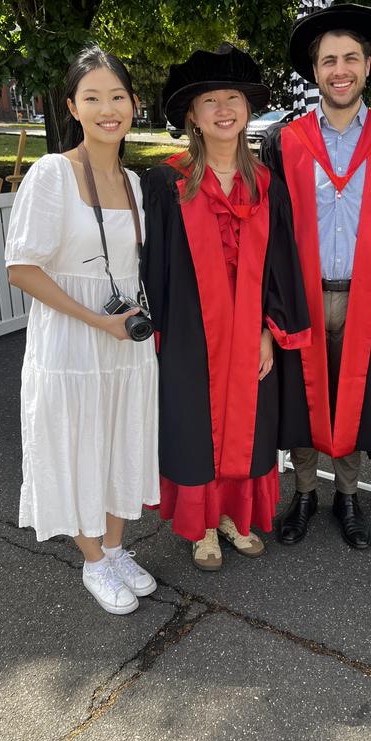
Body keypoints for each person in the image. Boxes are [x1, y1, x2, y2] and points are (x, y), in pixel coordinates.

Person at [141, 44, 311, 571]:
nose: (222, 109)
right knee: (195, 425)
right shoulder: (166, 183)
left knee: (250, 426)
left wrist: (269, 331)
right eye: (208, 100)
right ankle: (203, 527)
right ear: (191, 115)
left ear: (247, 108)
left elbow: (282, 266)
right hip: (191, 334)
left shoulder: (267, 185)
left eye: (232, 97)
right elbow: (151, 270)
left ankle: (235, 517)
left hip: (249, 333)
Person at [5, 45, 159, 613]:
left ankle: (116, 547)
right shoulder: (52, 174)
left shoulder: (136, 184)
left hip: (127, 340)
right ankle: (93, 559)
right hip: (75, 338)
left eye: (117, 96)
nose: (107, 109)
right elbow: (21, 267)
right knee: (76, 443)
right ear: (73, 106)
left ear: (134, 103)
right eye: (92, 98)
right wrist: (98, 321)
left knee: (122, 437)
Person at [261, 3, 371, 549]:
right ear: (316, 70)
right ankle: (304, 494)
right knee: (302, 399)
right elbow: (270, 229)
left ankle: (347, 495)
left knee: (355, 394)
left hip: (367, 299)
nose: (340, 69)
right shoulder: (285, 141)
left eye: (351, 57)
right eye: (329, 60)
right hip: (302, 297)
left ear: (369, 65)